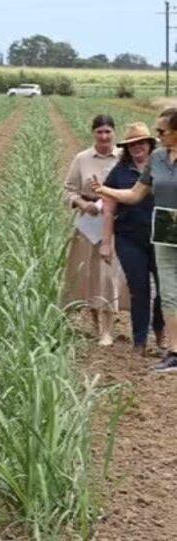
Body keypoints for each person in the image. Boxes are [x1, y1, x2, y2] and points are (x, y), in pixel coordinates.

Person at [92, 108, 177, 372]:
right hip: (163, 229)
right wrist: (103, 190)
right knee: (168, 292)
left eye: (161, 131)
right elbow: (134, 194)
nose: (159, 136)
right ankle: (173, 351)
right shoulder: (158, 158)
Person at [100, 122, 165, 356]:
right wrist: (106, 243)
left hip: (163, 238)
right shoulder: (119, 172)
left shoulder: (164, 167)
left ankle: (160, 332)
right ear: (127, 148)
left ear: (150, 144)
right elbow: (108, 209)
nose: (137, 147)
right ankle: (139, 341)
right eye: (132, 144)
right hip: (130, 238)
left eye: (141, 143)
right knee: (139, 290)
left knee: (165, 289)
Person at [64, 114, 123, 346]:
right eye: (99, 132)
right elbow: (68, 189)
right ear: (93, 133)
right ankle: (96, 325)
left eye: (108, 131)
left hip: (116, 220)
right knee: (89, 273)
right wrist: (82, 204)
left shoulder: (122, 157)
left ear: (114, 133)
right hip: (89, 221)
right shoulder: (82, 158)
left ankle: (108, 330)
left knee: (108, 274)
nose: (104, 136)